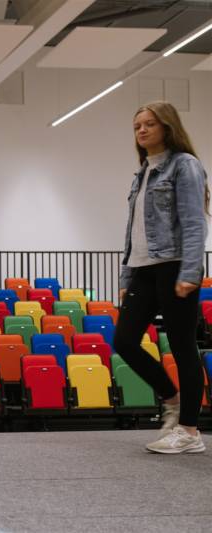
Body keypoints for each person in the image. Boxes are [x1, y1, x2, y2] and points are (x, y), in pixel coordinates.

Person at [113, 101, 209, 454]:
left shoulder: (185, 166)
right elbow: (133, 230)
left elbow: (195, 222)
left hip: (175, 265)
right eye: (137, 125)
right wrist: (127, 276)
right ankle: (171, 397)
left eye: (150, 123)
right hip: (143, 269)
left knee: (183, 346)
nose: (142, 130)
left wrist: (190, 271)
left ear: (167, 127)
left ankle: (189, 430)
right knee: (123, 341)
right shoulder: (142, 173)